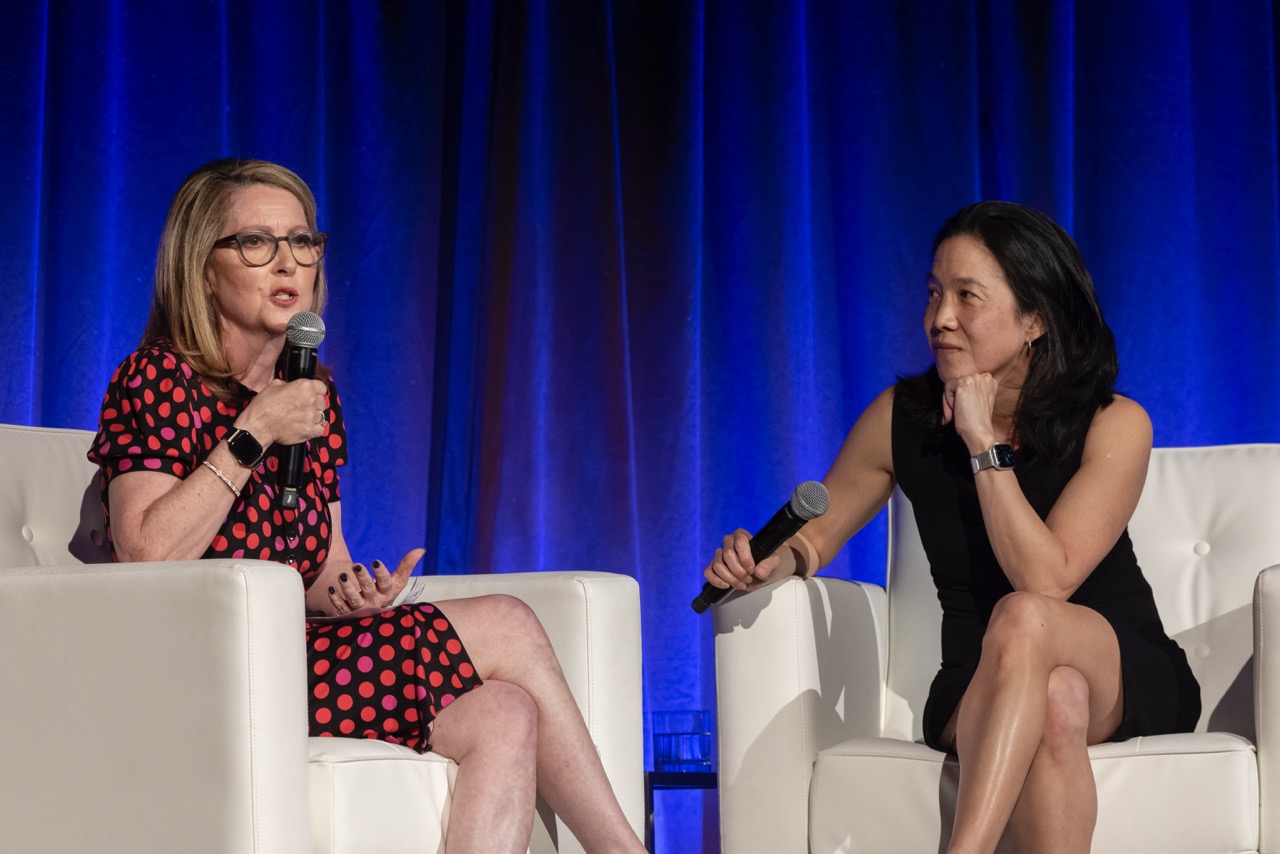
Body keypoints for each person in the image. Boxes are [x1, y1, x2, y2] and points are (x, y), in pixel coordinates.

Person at [89, 158, 646, 854]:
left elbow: (320, 567)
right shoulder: (158, 379)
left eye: (302, 241)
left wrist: (355, 593)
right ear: (202, 270)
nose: (287, 263)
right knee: (508, 621)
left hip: (296, 655)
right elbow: (146, 552)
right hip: (202, 668)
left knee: (505, 711)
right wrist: (254, 431)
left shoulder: (312, 394)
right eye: (256, 243)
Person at [703, 201, 1200, 853]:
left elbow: (1046, 581)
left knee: (1025, 617)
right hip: (976, 680)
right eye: (935, 293)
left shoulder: (1114, 423)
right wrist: (772, 560)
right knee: (1056, 699)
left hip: (1121, 666)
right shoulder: (900, 417)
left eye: (968, 296)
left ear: (1035, 320)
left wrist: (980, 441)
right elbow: (817, 536)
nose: (940, 318)